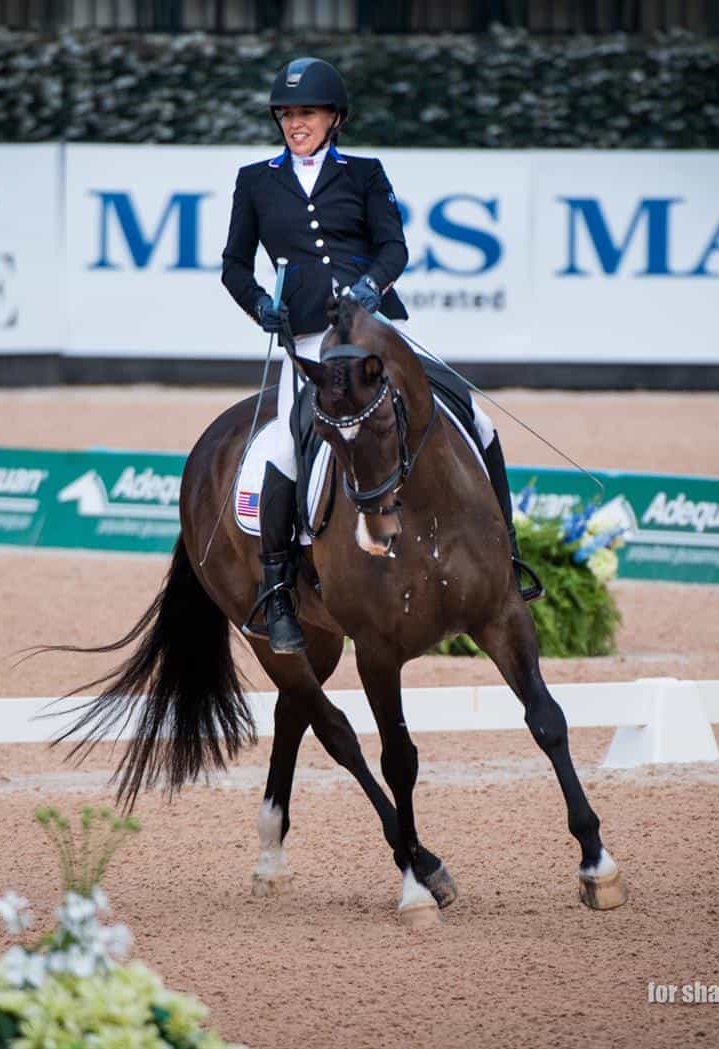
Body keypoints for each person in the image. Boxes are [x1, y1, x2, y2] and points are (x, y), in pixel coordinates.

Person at [219, 56, 543, 656]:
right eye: (287, 115)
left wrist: (372, 286)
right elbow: (234, 265)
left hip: (374, 335)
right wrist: (260, 303)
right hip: (313, 343)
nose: (296, 123)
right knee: (284, 445)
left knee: (478, 418)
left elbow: (394, 246)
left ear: (334, 118)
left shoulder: (365, 174)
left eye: (307, 113)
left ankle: (507, 556)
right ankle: (277, 589)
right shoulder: (257, 180)